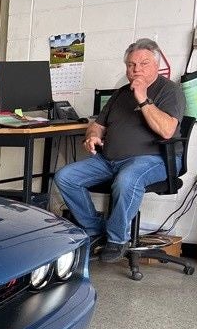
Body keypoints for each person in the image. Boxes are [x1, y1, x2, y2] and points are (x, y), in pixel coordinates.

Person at [54, 38, 184, 263]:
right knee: (65, 177)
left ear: (156, 65)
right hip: (109, 160)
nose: (137, 69)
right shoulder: (120, 93)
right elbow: (97, 124)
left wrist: (143, 98)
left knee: (127, 179)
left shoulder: (170, 90)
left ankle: (117, 238)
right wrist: (93, 135)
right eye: (131, 65)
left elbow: (167, 130)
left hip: (155, 159)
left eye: (144, 63)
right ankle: (95, 230)